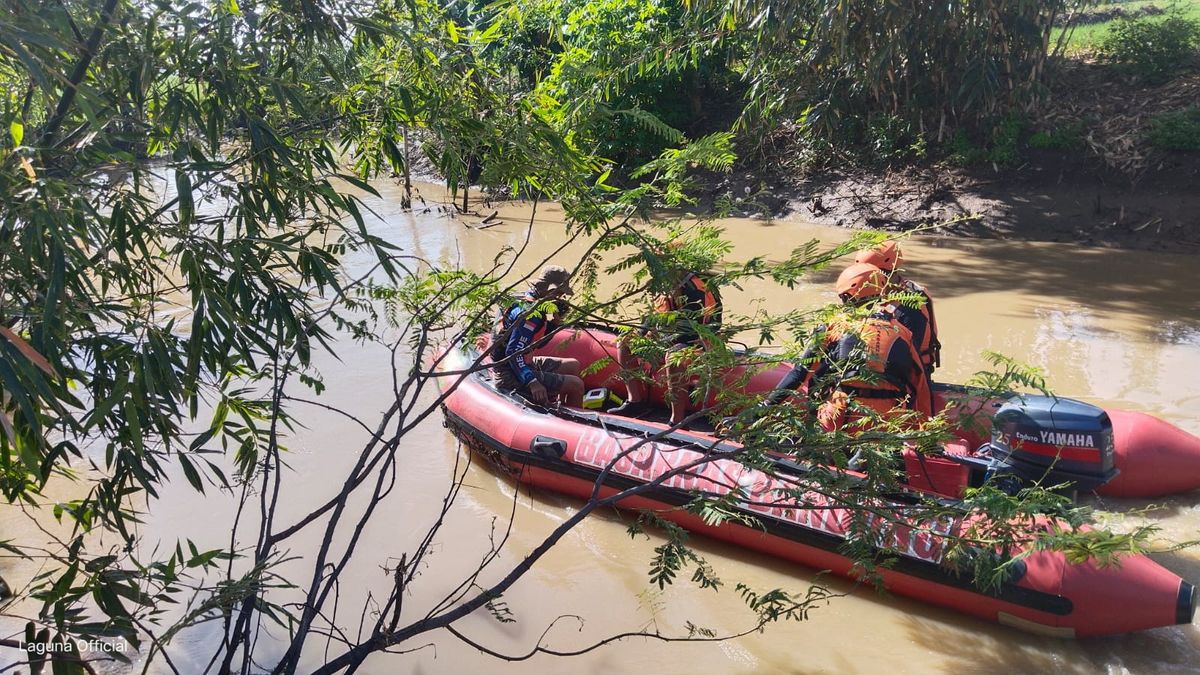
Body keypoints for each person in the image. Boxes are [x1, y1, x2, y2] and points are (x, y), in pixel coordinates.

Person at [767, 262, 931, 430]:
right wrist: (927, 435)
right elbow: (921, 386)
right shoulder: (903, 333)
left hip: (841, 417)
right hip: (884, 423)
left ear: (846, 297)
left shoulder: (833, 326)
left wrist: (765, 407)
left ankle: (815, 446)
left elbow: (799, 374)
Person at [610, 265, 722, 425]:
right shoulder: (664, 285)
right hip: (670, 340)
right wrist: (640, 336)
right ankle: (635, 402)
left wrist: (661, 345)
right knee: (625, 341)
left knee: (674, 355)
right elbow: (652, 319)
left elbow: (691, 334)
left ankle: (677, 420)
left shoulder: (697, 290)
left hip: (701, 342)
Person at [491, 266, 585, 407]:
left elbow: (535, 344)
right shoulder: (530, 314)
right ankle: (573, 421)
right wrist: (532, 381)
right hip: (508, 373)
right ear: (550, 290)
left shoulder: (525, 300)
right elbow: (512, 353)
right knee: (576, 384)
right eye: (559, 293)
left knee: (573, 365)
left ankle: (561, 405)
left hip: (523, 362)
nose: (560, 297)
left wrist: (553, 325)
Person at [855, 241, 940, 375]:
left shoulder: (910, 306)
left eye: (868, 276)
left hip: (910, 375)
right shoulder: (874, 295)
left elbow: (906, 356)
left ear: (885, 274)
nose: (864, 282)